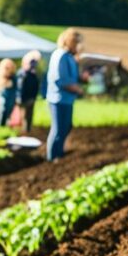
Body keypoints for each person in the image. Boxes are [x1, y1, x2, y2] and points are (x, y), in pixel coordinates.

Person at [46, 28, 84, 161]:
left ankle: (59, 154)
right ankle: (52, 158)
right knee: (58, 129)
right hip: (58, 99)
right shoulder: (60, 55)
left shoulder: (69, 57)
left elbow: (73, 76)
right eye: (78, 43)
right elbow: (61, 80)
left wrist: (82, 78)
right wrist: (78, 90)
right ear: (71, 42)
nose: (80, 46)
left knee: (66, 127)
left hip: (67, 99)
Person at [18, 51, 42, 133]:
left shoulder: (33, 74)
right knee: (24, 116)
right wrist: (20, 98)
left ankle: (27, 130)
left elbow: (35, 86)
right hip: (24, 99)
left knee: (29, 116)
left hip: (31, 98)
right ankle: (24, 132)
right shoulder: (23, 74)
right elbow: (21, 88)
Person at [0, 58, 18, 127]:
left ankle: (4, 129)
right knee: (1, 114)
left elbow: (11, 85)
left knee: (8, 116)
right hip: (3, 100)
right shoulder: (1, 76)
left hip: (11, 100)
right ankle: (0, 128)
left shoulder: (13, 77)